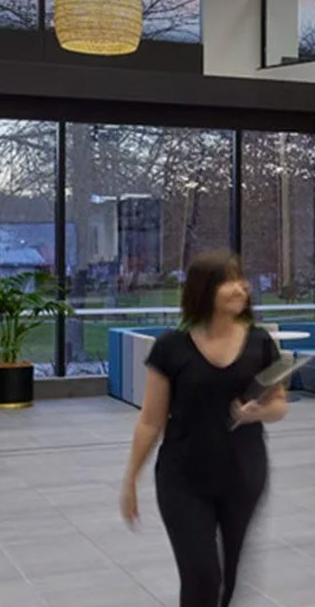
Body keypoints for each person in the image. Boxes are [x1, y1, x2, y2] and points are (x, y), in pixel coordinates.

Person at [121, 251, 289, 607]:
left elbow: (278, 405)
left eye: (241, 279)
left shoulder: (260, 343)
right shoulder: (171, 347)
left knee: (226, 582)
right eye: (228, 281)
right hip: (183, 478)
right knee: (201, 575)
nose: (240, 287)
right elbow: (151, 421)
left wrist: (256, 413)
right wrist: (130, 480)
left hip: (243, 475)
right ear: (204, 290)